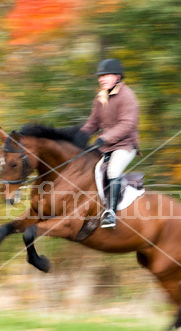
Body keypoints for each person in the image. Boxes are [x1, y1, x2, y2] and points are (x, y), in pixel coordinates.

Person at [80, 59, 140, 229]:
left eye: (105, 76)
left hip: (125, 146)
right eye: (100, 76)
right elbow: (93, 123)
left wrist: (103, 139)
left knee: (113, 170)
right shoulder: (101, 97)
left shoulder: (127, 96)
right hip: (105, 146)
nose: (101, 79)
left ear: (117, 77)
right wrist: (81, 136)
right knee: (89, 170)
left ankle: (111, 214)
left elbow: (126, 125)